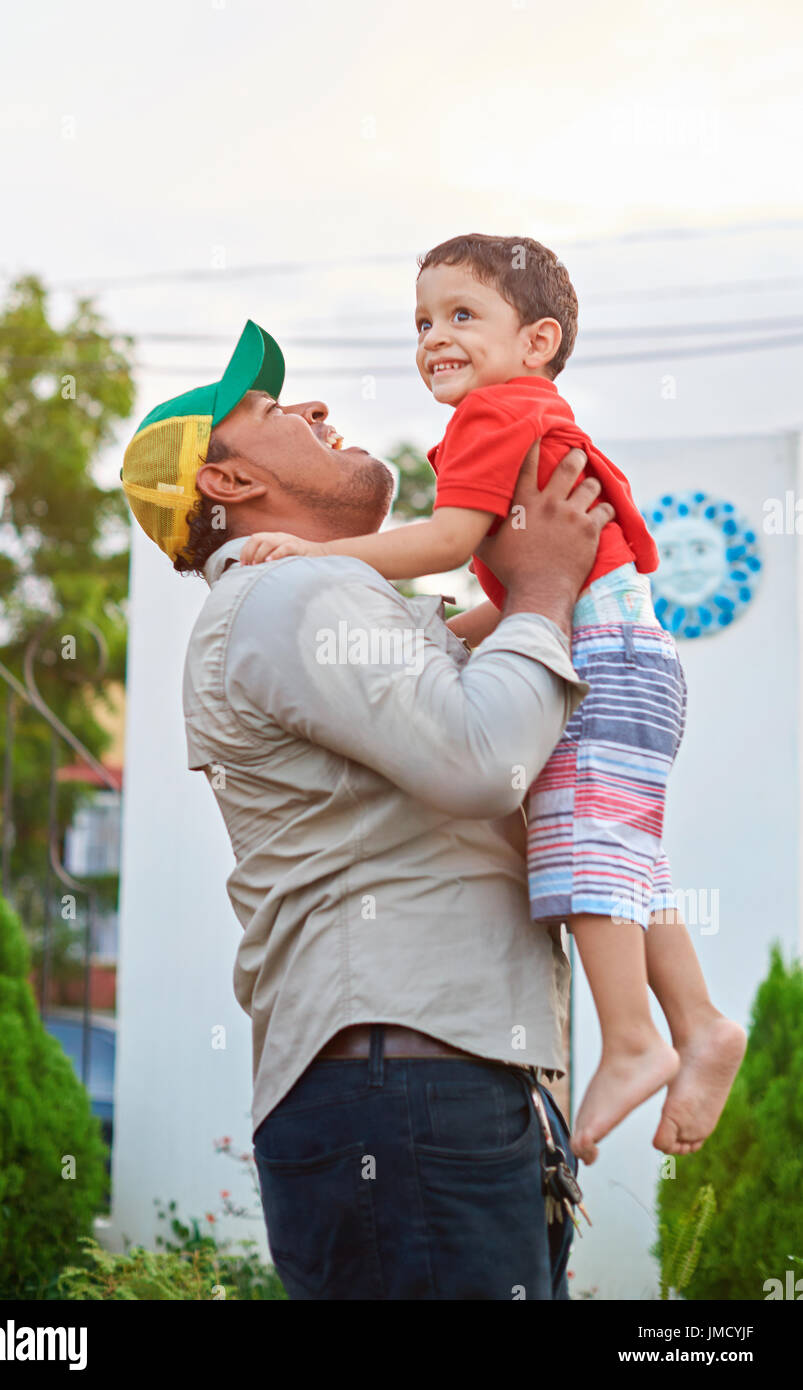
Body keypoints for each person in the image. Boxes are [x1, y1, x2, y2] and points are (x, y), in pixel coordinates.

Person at [120, 319, 610, 1299]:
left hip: (420, 1085)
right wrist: (547, 590)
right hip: (407, 1091)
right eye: (269, 410)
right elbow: (479, 758)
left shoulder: (331, 600)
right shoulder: (293, 599)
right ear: (227, 484)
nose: (313, 409)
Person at [240, 237, 747, 1164]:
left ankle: (634, 1037)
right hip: (632, 654)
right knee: (624, 849)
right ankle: (701, 1020)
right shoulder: (532, 413)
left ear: (539, 338)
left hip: (599, 658)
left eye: (462, 315)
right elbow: (521, 590)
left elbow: (444, 541)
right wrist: (450, 635)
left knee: (586, 845)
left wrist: (317, 555)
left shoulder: (491, 416)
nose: (435, 336)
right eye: (423, 321)